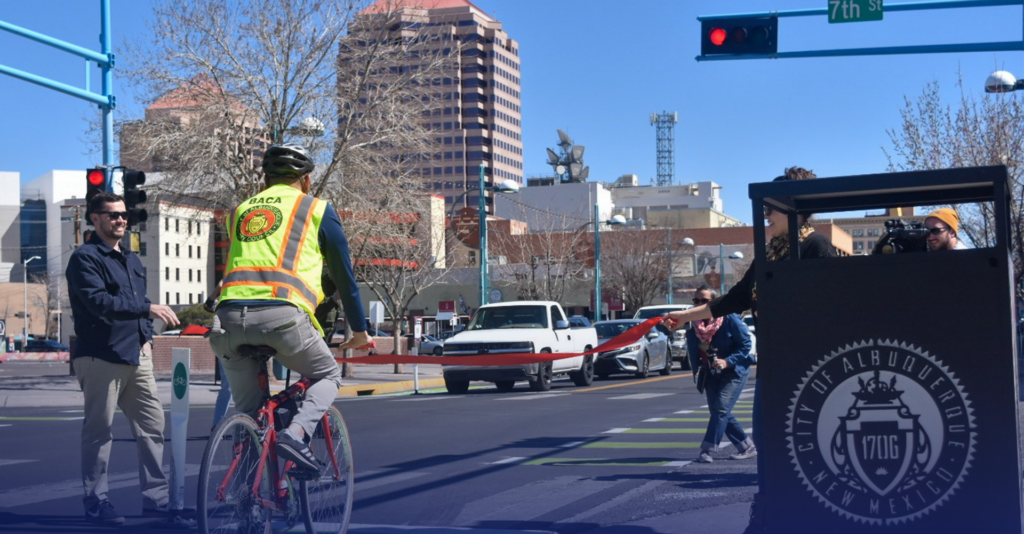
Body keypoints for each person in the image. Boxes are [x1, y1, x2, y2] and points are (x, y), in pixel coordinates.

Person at [661, 166, 837, 532]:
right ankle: (771, 518)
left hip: (807, 369)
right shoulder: (772, 252)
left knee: (806, 449)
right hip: (774, 367)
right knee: (770, 448)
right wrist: (684, 316)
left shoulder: (816, 246)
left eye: (771, 206)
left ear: (794, 208)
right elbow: (736, 298)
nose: (765, 214)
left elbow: (828, 310)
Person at [208, 143, 371, 473]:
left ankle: (247, 502)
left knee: (251, 414)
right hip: (282, 318)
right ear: (307, 180)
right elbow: (345, 277)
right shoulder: (316, 209)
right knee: (326, 374)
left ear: (264, 179)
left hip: (225, 321)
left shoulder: (240, 211)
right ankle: (296, 435)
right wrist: (360, 331)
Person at [66, 192, 182, 525]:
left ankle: (156, 502)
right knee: (99, 432)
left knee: (152, 427)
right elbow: (99, 303)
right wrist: (147, 309)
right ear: (95, 219)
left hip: (135, 356)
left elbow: (137, 301)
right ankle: (96, 502)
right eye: (113, 215)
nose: (121, 220)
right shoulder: (85, 258)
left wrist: (146, 336)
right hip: (100, 356)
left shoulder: (130, 258)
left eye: (124, 215)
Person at [686, 286, 756, 464]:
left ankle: (707, 449)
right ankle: (747, 446)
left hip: (734, 370)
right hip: (710, 373)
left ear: (714, 302)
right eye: (696, 301)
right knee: (719, 411)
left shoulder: (729, 318)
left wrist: (727, 361)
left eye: (704, 301)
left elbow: (746, 344)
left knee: (721, 408)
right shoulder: (693, 322)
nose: (699, 304)